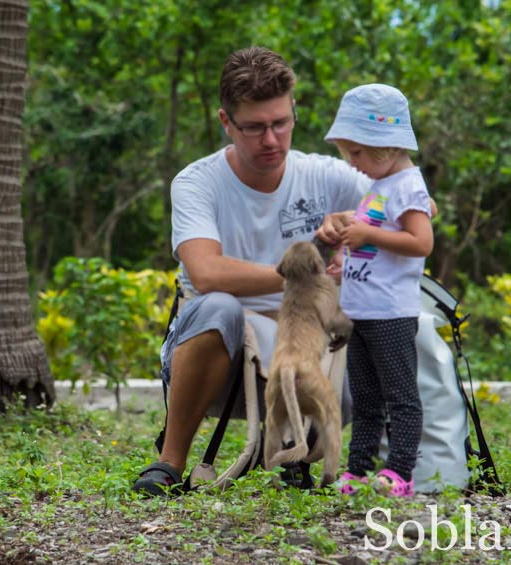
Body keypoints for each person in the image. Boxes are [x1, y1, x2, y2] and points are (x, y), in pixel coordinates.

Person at [132, 46, 370, 496]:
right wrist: (308, 269)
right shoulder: (197, 182)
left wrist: (360, 232)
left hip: (316, 358)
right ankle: (169, 462)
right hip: (223, 363)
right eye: (255, 128)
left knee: (389, 313)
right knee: (217, 305)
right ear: (226, 122)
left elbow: (413, 209)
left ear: (294, 111)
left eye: (281, 123)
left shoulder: (326, 175)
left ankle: (366, 458)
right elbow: (204, 272)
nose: (272, 140)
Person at [321, 84, 434, 498]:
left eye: (357, 153)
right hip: (361, 310)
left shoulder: (406, 185)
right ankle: (358, 470)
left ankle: (400, 472)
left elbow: (421, 243)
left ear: (384, 146)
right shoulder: (380, 185)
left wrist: (367, 232)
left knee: (400, 396)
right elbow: (375, 244)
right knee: (366, 398)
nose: (352, 162)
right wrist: (344, 263)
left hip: (390, 312)